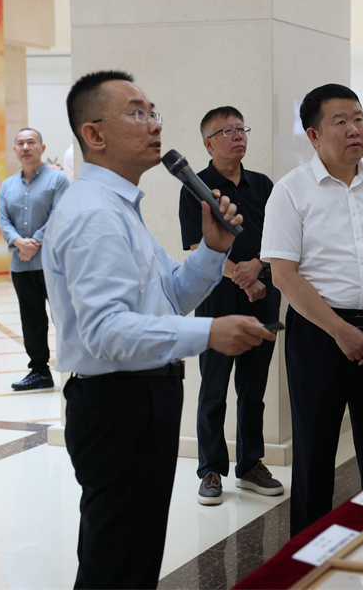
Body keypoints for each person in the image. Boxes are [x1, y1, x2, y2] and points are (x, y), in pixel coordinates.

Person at [42, 70, 275, 589]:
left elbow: (170, 294)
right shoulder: (93, 214)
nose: (154, 124)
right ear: (94, 134)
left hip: (142, 396)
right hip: (117, 402)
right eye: (136, 113)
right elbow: (106, 330)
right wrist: (208, 333)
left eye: (153, 112)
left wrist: (213, 249)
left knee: (135, 554)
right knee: (116, 564)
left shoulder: (120, 207)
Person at [261, 83, 363, 536]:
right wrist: (339, 330)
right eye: (341, 121)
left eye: (359, 118)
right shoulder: (291, 191)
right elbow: (284, 275)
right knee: (315, 451)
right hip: (318, 335)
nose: (354, 129)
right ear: (313, 135)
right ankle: (307, 557)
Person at [179, 106, 282, 506]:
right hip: (216, 296)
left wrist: (258, 270)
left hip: (264, 294)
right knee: (214, 387)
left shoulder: (263, 185)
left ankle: (251, 464)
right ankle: (210, 469)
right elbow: (195, 246)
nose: (238, 136)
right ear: (208, 143)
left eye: (242, 129)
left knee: (254, 388)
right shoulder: (196, 187)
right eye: (227, 131)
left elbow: (278, 239)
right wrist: (243, 276)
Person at [0, 128, 68, 391]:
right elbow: (3, 219)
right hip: (21, 265)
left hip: (53, 264)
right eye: (20, 143)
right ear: (15, 149)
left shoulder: (58, 180)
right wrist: (18, 242)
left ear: (42, 147)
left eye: (31, 142)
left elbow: (59, 214)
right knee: (32, 319)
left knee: (64, 316)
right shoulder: (7, 186)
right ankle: (39, 372)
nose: (25, 147)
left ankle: (77, 369)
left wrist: (34, 242)